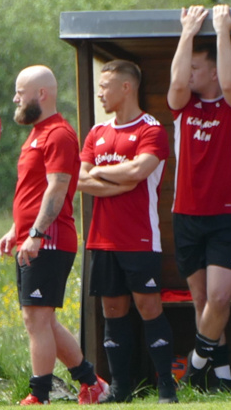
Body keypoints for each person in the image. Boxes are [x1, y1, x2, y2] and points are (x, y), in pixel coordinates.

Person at [0, 65, 108, 405]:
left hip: (50, 239)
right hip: (33, 237)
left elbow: (58, 189)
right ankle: (92, 383)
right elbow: (32, 191)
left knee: (36, 320)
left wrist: (37, 233)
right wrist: (15, 229)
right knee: (41, 319)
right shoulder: (36, 133)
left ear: (41, 94)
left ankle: (39, 395)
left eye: (20, 91)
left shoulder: (58, 133)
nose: (15, 98)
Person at [77, 60, 177, 403]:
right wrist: (121, 181)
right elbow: (80, 178)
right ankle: (121, 390)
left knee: (149, 307)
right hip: (102, 238)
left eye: (105, 86)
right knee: (113, 311)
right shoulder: (96, 133)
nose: (100, 93)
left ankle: (167, 386)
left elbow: (140, 169)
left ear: (126, 87)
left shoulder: (151, 129)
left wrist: (106, 175)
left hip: (140, 238)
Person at [168, 4, 231, 391]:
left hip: (225, 216)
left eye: (196, 69)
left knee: (219, 299)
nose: (188, 74)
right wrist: (187, 33)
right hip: (185, 215)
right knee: (202, 301)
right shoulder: (182, 107)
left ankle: (196, 362)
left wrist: (222, 31)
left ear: (214, 71)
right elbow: (175, 84)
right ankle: (222, 377)